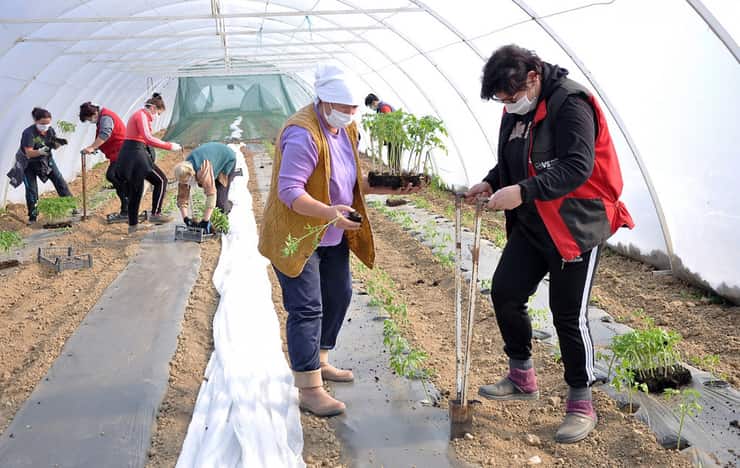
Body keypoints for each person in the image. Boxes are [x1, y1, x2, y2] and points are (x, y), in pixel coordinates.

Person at [466, 45, 634, 443]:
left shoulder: (571, 104)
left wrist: (522, 192)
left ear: (534, 77)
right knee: (506, 292)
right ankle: (522, 375)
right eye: (502, 100)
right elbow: (514, 159)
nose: (508, 105)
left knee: (566, 315)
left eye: (512, 96)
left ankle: (581, 402)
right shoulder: (516, 112)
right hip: (534, 223)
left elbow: (578, 165)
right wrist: (491, 181)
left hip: (575, 224)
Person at [258, 65, 417, 417]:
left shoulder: (348, 129)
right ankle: (309, 388)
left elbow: (352, 177)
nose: (349, 113)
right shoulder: (303, 133)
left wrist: (393, 185)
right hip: (298, 235)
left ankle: (321, 359)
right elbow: (289, 191)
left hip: (332, 233)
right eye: (342, 107)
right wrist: (330, 212)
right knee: (307, 308)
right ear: (323, 100)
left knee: (339, 293)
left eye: (353, 108)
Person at [116, 93, 180, 233]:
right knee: (161, 180)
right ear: (152, 107)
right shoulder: (141, 116)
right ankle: (156, 215)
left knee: (136, 190)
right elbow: (148, 138)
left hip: (130, 153)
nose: (157, 116)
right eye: (158, 112)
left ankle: (133, 226)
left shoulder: (140, 116)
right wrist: (169, 146)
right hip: (136, 153)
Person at [6, 107, 73, 224]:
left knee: (59, 181)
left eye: (48, 123)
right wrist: (40, 151)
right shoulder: (28, 133)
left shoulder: (50, 130)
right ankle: (33, 217)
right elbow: (29, 152)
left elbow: (53, 145)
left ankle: (72, 207)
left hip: (45, 161)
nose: (46, 126)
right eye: (43, 123)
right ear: (36, 121)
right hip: (28, 164)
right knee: (32, 190)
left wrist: (58, 143)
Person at [173, 142, 238, 233]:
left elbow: (211, 194)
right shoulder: (183, 171)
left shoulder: (203, 170)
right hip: (212, 160)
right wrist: (186, 219)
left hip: (226, 159)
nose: (185, 184)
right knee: (213, 200)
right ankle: (214, 215)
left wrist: (205, 221)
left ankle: (227, 206)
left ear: (191, 175)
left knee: (220, 204)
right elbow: (182, 197)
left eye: (186, 181)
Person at [79, 102, 128, 220]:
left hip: (122, 151)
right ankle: (126, 207)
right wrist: (95, 148)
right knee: (115, 177)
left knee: (112, 175)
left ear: (94, 113)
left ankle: (128, 202)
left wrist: (92, 147)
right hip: (117, 153)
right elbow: (105, 139)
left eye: (89, 118)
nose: (90, 121)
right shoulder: (102, 117)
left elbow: (105, 134)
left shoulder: (105, 117)